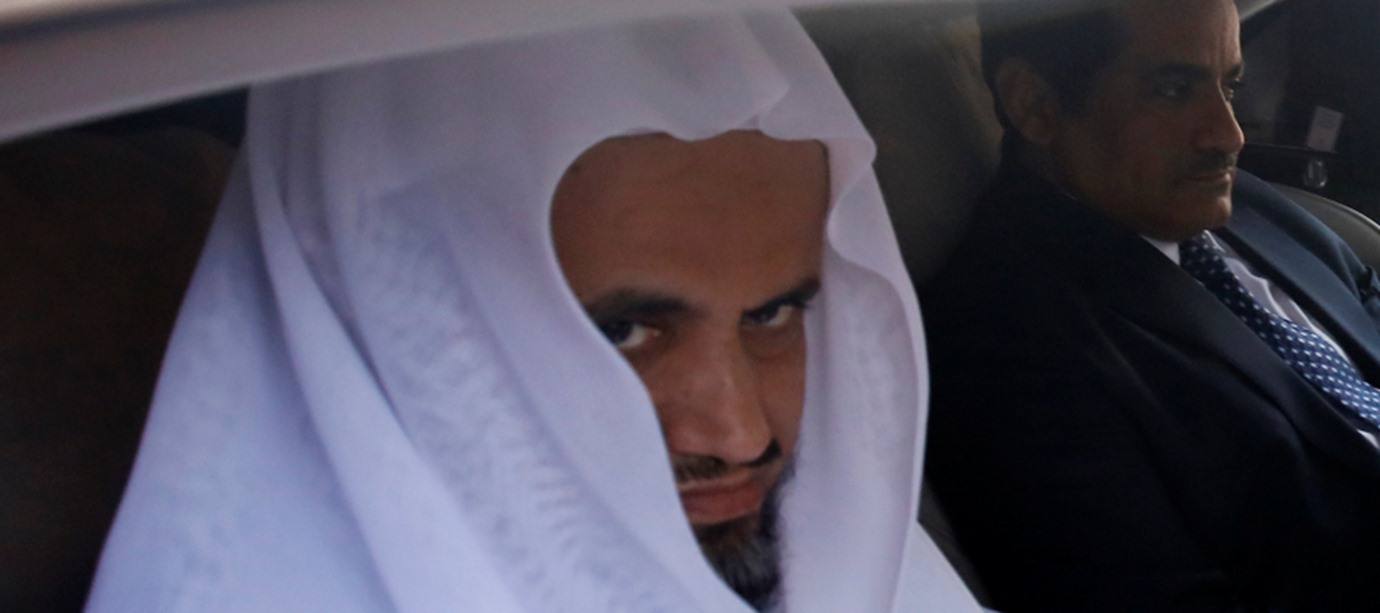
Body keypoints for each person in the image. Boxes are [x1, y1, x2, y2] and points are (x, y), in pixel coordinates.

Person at [85, 9, 981, 612]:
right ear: (400, 325)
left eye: (774, 315)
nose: (742, 433)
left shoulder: (859, 560)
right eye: (622, 332)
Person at [921, 0, 1380, 610]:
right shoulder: (1006, 351)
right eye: (1173, 90)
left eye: (1230, 87)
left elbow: (1364, 299)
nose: (1229, 134)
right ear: (1033, 103)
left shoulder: (1228, 199)